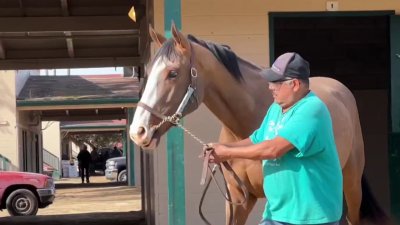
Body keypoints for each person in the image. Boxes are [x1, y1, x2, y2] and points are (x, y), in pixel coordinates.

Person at [206, 52, 343, 225]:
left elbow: (273, 149)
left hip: (310, 217)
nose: (270, 87)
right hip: (276, 214)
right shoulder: (276, 109)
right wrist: (222, 147)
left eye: (276, 82)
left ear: (294, 84)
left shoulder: (312, 110)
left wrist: (226, 153)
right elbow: (257, 139)